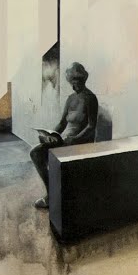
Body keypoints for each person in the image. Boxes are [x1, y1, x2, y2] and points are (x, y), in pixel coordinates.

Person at [31, 62, 99, 209]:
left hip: (80, 142)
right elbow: (62, 123)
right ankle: (52, 193)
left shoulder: (90, 98)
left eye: (77, 80)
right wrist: (51, 134)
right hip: (65, 141)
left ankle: (55, 196)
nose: (74, 84)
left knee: (53, 155)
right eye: (72, 81)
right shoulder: (70, 99)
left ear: (83, 79)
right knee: (35, 152)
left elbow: (91, 126)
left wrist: (75, 139)